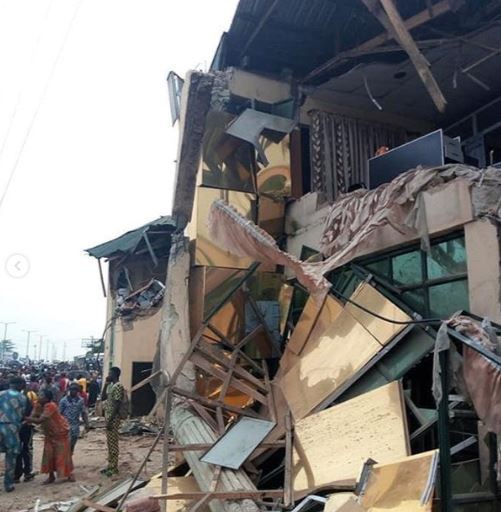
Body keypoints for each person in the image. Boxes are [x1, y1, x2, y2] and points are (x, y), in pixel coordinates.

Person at [26, 389, 74, 484]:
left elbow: (40, 420)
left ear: (47, 398)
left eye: (41, 395)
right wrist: (29, 419)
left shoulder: (51, 406)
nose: (39, 396)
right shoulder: (38, 405)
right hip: (49, 433)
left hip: (60, 433)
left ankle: (69, 474)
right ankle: (51, 476)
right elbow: (33, 415)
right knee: (49, 455)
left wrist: (25, 419)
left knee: (62, 455)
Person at [0, 376, 27, 491]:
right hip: (11, 428)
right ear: (19, 385)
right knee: (11, 457)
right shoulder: (22, 397)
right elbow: (21, 414)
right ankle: (8, 484)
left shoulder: (0, 394)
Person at [101, 367, 124, 477]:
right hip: (108, 417)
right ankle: (110, 465)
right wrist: (105, 383)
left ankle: (114, 468)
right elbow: (103, 397)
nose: (108, 374)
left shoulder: (118, 386)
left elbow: (117, 404)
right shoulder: (111, 385)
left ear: (115, 374)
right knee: (109, 443)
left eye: (110, 373)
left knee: (113, 442)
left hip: (113, 418)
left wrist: (110, 420)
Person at [14, 379, 36, 483]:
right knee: (25, 449)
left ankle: (18, 474)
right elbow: (31, 411)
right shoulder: (25, 397)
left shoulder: (10, 397)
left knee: (18, 450)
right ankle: (25, 473)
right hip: (24, 427)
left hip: (17, 427)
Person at [59, 383, 89, 453]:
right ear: (69, 390)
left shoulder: (80, 401)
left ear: (78, 391)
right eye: (72, 390)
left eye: (75, 390)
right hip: (65, 425)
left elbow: (83, 412)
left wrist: (87, 424)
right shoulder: (63, 401)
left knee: (73, 443)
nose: (73, 391)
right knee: (67, 444)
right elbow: (59, 413)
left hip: (75, 426)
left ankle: (70, 455)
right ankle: (66, 461)